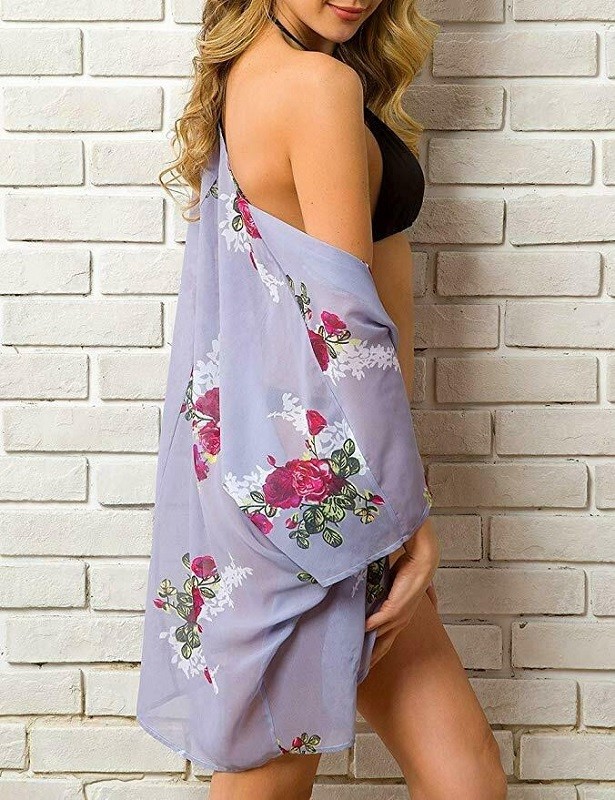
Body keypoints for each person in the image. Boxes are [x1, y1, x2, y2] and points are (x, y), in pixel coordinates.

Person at [141, 2, 509, 798]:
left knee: (464, 774)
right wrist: (406, 513)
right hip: (332, 495)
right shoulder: (316, 86)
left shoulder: (250, 74)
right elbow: (347, 331)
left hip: (301, 480)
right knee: (275, 777)